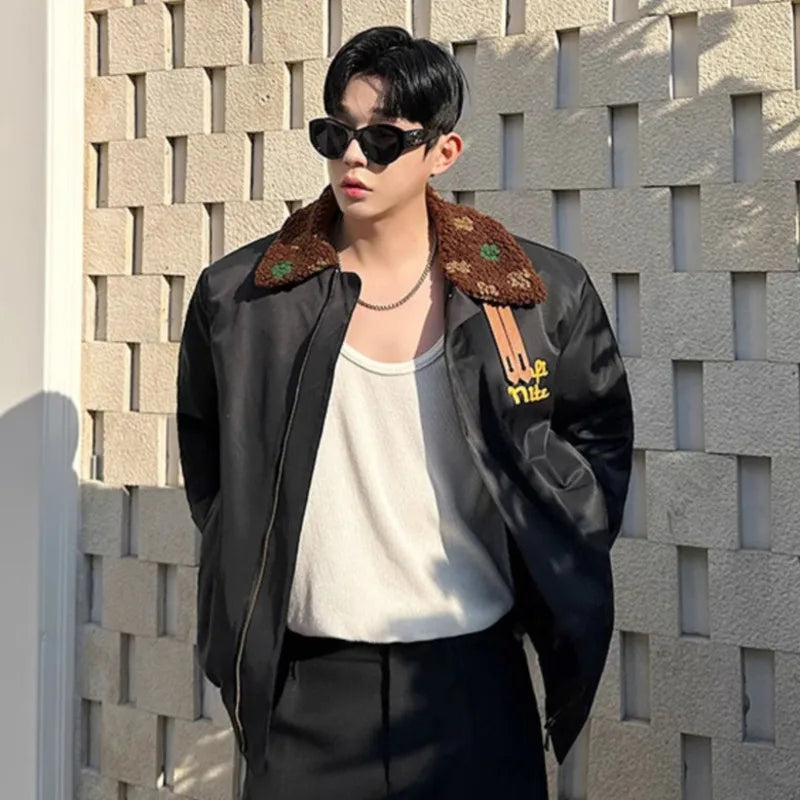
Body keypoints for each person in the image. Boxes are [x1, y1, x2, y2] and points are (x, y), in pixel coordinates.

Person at [177, 24, 633, 800]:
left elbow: (597, 433)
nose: (354, 158)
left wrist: (557, 540)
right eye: (336, 134)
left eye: (384, 138)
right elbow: (213, 463)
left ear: (442, 153)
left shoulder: (532, 295)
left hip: (472, 684)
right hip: (306, 693)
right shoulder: (242, 299)